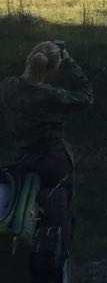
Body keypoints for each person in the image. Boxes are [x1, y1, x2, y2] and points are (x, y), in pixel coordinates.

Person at [0, 40, 93, 190]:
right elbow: (86, 96)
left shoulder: (7, 87)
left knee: (24, 200)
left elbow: (26, 85)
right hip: (53, 165)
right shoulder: (51, 97)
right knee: (52, 202)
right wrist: (69, 63)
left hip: (22, 160)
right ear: (54, 68)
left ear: (29, 59)